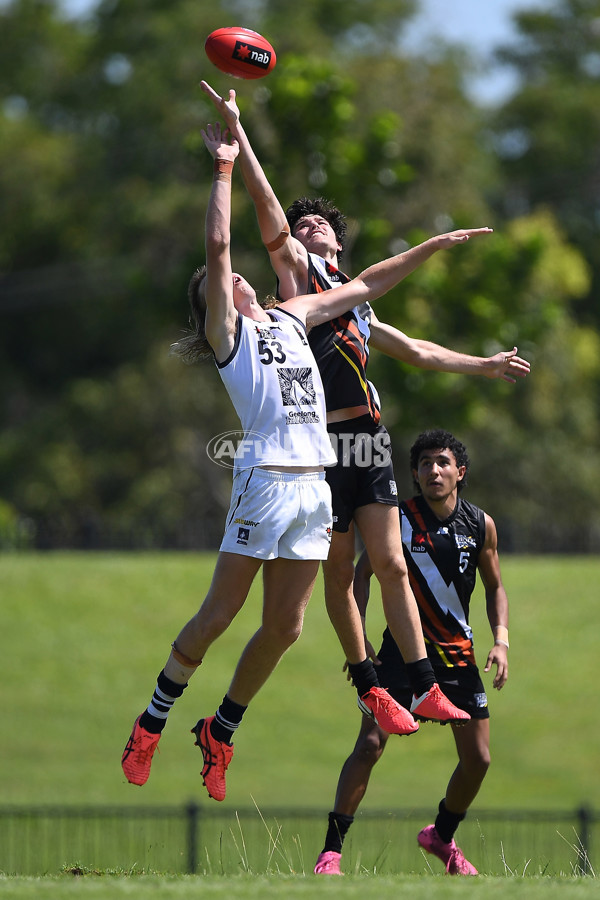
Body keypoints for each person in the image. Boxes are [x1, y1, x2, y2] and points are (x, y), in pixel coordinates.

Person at [121, 121, 492, 801]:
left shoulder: (295, 316)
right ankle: (150, 723)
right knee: (218, 616)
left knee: (286, 628)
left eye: (233, 279)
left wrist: (433, 245)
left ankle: (221, 729)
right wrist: (225, 167)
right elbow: (220, 241)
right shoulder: (230, 338)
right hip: (265, 484)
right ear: (216, 304)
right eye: (221, 281)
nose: (234, 281)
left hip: (315, 490)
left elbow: (370, 284)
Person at [200, 81, 525, 727]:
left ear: (339, 244)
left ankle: (424, 685)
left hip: (368, 438)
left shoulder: (356, 301)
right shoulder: (298, 281)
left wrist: (481, 365)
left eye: (316, 222)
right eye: (298, 226)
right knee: (341, 573)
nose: (304, 226)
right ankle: (369, 683)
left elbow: (421, 351)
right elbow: (264, 208)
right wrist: (239, 139)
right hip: (323, 449)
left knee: (392, 563)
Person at [313, 429, 510, 876]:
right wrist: (359, 638)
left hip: (459, 658)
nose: (432, 471)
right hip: (400, 657)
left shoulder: (481, 525)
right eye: (423, 464)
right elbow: (360, 576)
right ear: (415, 475)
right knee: (368, 745)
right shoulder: (396, 519)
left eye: (441, 463)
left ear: (460, 472)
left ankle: (441, 836)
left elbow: (496, 586)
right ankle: (331, 854)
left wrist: (501, 640)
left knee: (478, 759)